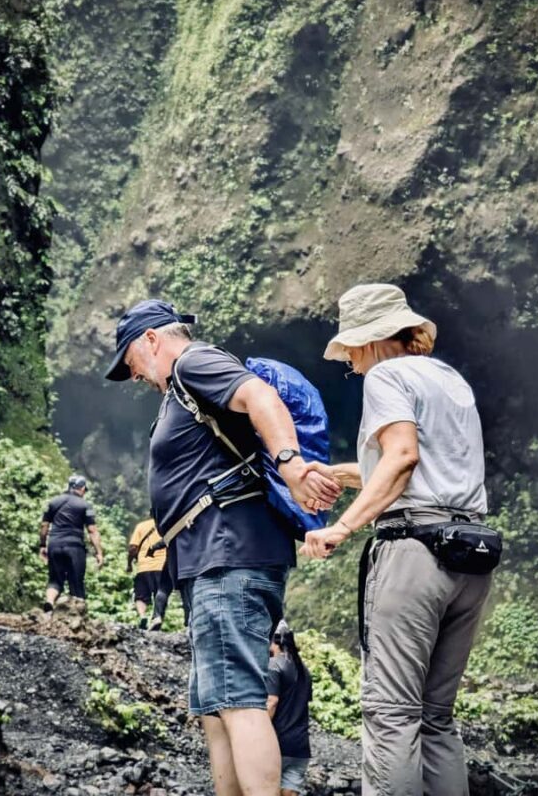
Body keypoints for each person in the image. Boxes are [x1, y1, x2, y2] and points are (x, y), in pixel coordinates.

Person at [105, 299, 340, 796]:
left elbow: (258, 396)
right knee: (216, 710)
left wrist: (291, 463)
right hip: (207, 561)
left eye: (131, 363)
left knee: (240, 701)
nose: (136, 377)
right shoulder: (178, 390)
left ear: (152, 339)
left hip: (228, 552)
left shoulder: (194, 363)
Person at [300, 283, 492, 796]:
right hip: (470, 553)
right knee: (435, 718)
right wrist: (343, 475)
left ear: (369, 341)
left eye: (351, 354)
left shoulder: (386, 374)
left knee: (391, 713)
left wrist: (342, 527)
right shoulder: (451, 380)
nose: (353, 366)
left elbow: (403, 459)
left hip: (415, 556)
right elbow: (426, 465)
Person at [39, 474, 104, 612]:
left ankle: (50, 602)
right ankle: (77, 615)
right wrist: (99, 552)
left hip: (54, 544)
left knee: (55, 580)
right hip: (75, 547)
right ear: (81, 488)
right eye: (85, 490)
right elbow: (92, 531)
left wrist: (42, 546)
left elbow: (44, 526)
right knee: (76, 582)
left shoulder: (53, 502)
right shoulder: (85, 505)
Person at [267, 620, 312, 796]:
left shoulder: (274, 665)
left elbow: (272, 702)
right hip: (300, 747)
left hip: (278, 743)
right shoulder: (304, 670)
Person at [127, 516, 173, 630]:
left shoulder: (141, 526)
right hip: (162, 566)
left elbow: (133, 548)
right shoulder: (166, 524)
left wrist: (129, 564)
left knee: (140, 596)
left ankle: (143, 616)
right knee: (161, 593)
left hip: (143, 567)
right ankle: (156, 619)